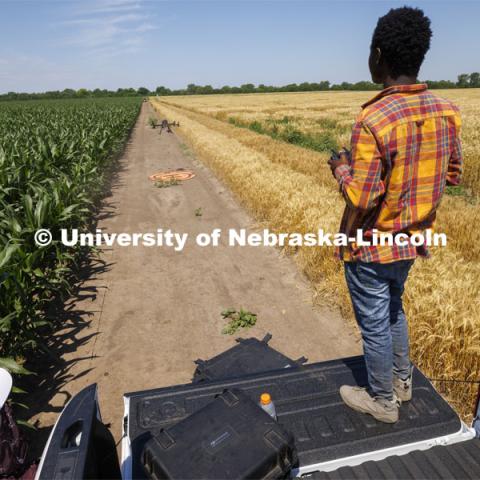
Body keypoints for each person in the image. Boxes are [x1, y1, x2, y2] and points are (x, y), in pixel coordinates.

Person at [328, 6, 463, 423]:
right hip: (411, 241)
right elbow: (453, 174)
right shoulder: (446, 110)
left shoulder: (374, 118)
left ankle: (383, 401)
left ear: (379, 55)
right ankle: (403, 383)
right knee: (394, 309)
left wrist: (340, 166)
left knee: (374, 322)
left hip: (371, 248)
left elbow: (362, 196)